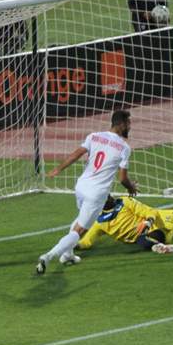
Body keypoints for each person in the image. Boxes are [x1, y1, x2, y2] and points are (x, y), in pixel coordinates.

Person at [36, 110, 138, 274]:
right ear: (120, 124)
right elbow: (123, 179)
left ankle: (68, 255)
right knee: (80, 231)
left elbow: (76, 154)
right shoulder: (124, 148)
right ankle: (48, 256)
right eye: (128, 123)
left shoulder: (94, 136)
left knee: (80, 219)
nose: (130, 127)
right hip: (96, 193)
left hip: (81, 186)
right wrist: (131, 187)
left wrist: (58, 169)